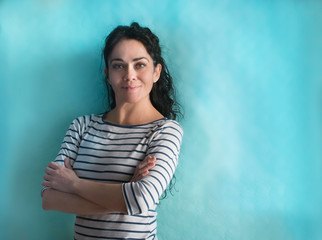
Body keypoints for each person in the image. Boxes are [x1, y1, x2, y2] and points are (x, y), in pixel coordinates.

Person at [41, 22, 183, 240]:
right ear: (107, 74)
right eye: (119, 65)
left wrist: (74, 184)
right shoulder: (81, 126)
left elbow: (142, 199)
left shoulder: (165, 131)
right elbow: (49, 199)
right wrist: (125, 194)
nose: (129, 75)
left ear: (156, 71)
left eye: (140, 65)